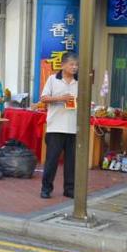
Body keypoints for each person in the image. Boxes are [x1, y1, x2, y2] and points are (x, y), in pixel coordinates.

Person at [40, 52, 79, 199]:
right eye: (71, 64)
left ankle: (69, 189)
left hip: (73, 127)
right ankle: (46, 188)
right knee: (52, 160)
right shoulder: (52, 79)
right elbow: (43, 98)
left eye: (76, 65)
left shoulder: (79, 82)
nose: (74, 67)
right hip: (55, 126)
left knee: (71, 162)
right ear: (63, 65)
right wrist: (60, 98)